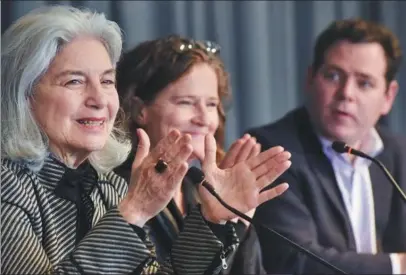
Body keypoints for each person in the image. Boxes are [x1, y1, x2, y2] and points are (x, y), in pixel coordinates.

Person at [1, 5, 292, 275]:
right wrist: (133, 212)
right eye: (74, 81)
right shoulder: (8, 187)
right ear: (24, 95)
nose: (99, 99)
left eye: (106, 81)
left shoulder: (107, 188)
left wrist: (212, 221)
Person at [247, 18, 406, 274]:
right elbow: (294, 262)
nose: (346, 93)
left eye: (364, 82)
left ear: (388, 97)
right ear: (310, 79)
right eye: (333, 76)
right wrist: (398, 266)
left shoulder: (399, 153)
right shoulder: (271, 150)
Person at [113, 34, 276, 275]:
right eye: (186, 102)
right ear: (139, 110)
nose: (203, 119)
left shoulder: (197, 186)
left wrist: (238, 222)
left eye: (211, 104)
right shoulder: (116, 189)